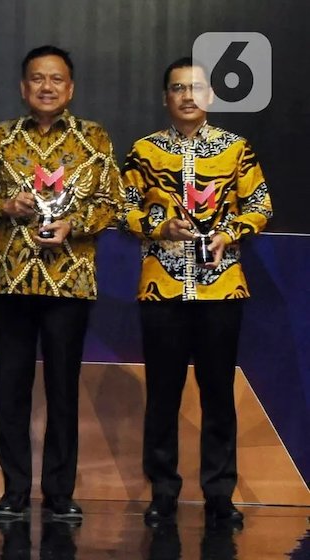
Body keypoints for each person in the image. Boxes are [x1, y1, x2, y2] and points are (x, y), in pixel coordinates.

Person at [0, 45, 121, 520]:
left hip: (69, 283)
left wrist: (74, 223)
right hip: (11, 280)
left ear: (70, 88)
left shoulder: (94, 138)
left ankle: (59, 492)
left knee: (62, 388)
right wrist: (5, 207)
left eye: (56, 79)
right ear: (23, 87)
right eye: (37, 78)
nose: (47, 87)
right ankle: (14, 490)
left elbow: (111, 201)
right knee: (10, 389)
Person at [121, 57, 271, 525]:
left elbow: (261, 202)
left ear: (209, 96)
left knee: (218, 394)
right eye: (177, 88)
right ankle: (163, 492)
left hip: (220, 289)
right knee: (163, 395)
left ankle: (219, 496)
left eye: (196, 88)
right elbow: (121, 205)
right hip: (161, 288)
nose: (187, 96)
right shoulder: (145, 151)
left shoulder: (235, 148)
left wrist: (234, 231)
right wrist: (158, 227)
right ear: (165, 97)